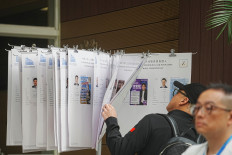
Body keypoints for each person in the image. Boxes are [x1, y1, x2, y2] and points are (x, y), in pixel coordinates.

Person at [102, 81, 206, 155]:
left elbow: (120, 150)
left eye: (176, 93)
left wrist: (111, 120)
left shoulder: (153, 122)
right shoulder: (203, 136)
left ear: (184, 100)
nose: (172, 96)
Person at [182, 83, 232, 155]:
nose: (199, 114)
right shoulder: (192, 151)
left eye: (209, 108)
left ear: (230, 117)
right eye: (197, 108)